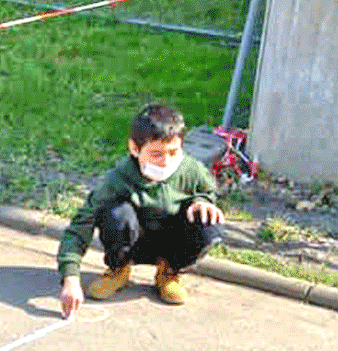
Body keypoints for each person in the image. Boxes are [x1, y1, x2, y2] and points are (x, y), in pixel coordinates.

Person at [57, 103, 225, 317]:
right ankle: (119, 270)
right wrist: (70, 279)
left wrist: (202, 201)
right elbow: (81, 225)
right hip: (134, 240)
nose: (166, 162)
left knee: (209, 222)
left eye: (174, 152)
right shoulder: (117, 179)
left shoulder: (191, 170)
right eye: (156, 154)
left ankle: (169, 272)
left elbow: (207, 191)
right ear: (134, 149)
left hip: (173, 239)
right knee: (117, 214)